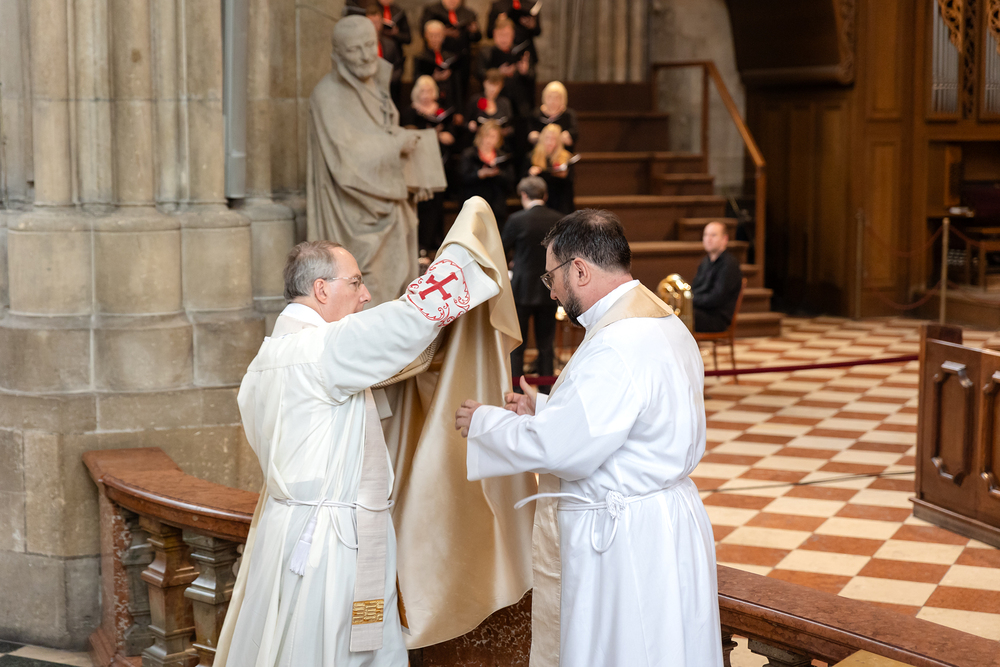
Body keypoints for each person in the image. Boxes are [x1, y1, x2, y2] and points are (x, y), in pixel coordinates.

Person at [454, 209, 723, 667]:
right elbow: (626, 421)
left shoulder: (616, 342)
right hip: (663, 519)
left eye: (551, 276)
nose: (551, 291)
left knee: (627, 649)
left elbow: (563, 449)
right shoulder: (662, 320)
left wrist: (484, 423)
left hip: (624, 540)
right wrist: (544, 410)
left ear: (579, 269)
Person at [215, 238, 501, 666]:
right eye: (355, 282)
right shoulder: (321, 349)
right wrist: (468, 247)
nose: (365, 295)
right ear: (321, 289)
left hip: (293, 529)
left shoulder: (268, 356)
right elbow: (405, 322)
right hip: (328, 545)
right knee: (331, 650)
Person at [501, 176, 563, 381]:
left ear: (523, 195)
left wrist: (514, 262)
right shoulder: (559, 219)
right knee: (546, 344)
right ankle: (546, 388)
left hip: (521, 288)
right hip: (550, 288)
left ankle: (516, 388)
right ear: (545, 195)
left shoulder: (516, 219)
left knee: (517, 344)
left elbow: (501, 250)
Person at [400, 75, 457, 252]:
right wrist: (430, 133)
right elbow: (405, 135)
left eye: (429, 90)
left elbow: (451, 137)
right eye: (423, 91)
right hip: (418, 163)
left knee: (436, 204)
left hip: (439, 162)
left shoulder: (441, 112)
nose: (426, 94)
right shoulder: (409, 112)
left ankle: (434, 241)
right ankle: (419, 244)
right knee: (421, 204)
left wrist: (439, 135)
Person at [420, 0, 481, 108]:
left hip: (461, 60)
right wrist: (443, 32)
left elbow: (477, 37)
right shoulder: (432, 10)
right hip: (438, 57)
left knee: (460, 90)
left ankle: (459, 112)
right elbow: (423, 32)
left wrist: (473, 31)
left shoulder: (468, 13)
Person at [459, 121, 514, 229]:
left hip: (496, 204)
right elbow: (461, 178)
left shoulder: (502, 156)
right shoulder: (469, 154)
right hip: (474, 203)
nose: (489, 140)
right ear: (480, 136)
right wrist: (479, 174)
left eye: (493, 137)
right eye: (487, 136)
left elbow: (510, 180)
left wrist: (498, 173)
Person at [691, 220, 743, 333]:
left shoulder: (729, 264)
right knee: (674, 312)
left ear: (725, 239)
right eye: (706, 235)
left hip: (716, 318)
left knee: (681, 316)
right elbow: (695, 288)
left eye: (713, 235)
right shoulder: (705, 262)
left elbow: (716, 298)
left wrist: (691, 299)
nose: (708, 239)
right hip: (701, 311)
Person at [527, 122, 574, 215]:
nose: (550, 142)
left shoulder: (566, 157)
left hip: (560, 200)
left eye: (553, 139)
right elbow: (523, 180)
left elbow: (571, 182)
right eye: (547, 138)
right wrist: (531, 173)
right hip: (540, 200)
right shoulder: (532, 156)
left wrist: (564, 175)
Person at [413, 20, 459, 111]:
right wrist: (433, 78)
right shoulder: (420, 57)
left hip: (448, 100)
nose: (434, 39)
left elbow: (457, 85)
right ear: (426, 36)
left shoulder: (450, 57)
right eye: (431, 35)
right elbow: (416, 79)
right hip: (428, 101)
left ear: (443, 36)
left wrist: (459, 110)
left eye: (438, 35)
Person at [465, 68, 515, 148]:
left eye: (496, 85)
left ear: (501, 86)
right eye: (490, 84)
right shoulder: (475, 100)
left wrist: (505, 131)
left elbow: (511, 125)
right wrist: (470, 125)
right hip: (478, 145)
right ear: (484, 83)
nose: (493, 89)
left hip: (500, 145)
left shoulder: (505, 103)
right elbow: (465, 122)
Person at [366, 4, 404, 106]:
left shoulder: (390, 45)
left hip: (387, 90)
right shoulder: (361, 46)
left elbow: (398, 67)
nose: (374, 26)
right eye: (371, 23)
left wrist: (387, 79)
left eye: (377, 22)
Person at [528, 80, 577, 149]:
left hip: (562, 152)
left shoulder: (568, 115)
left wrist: (566, 136)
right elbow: (530, 134)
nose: (552, 101)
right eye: (550, 97)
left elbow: (573, 136)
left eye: (556, 98)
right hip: (541, 151)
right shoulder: (536, 114)